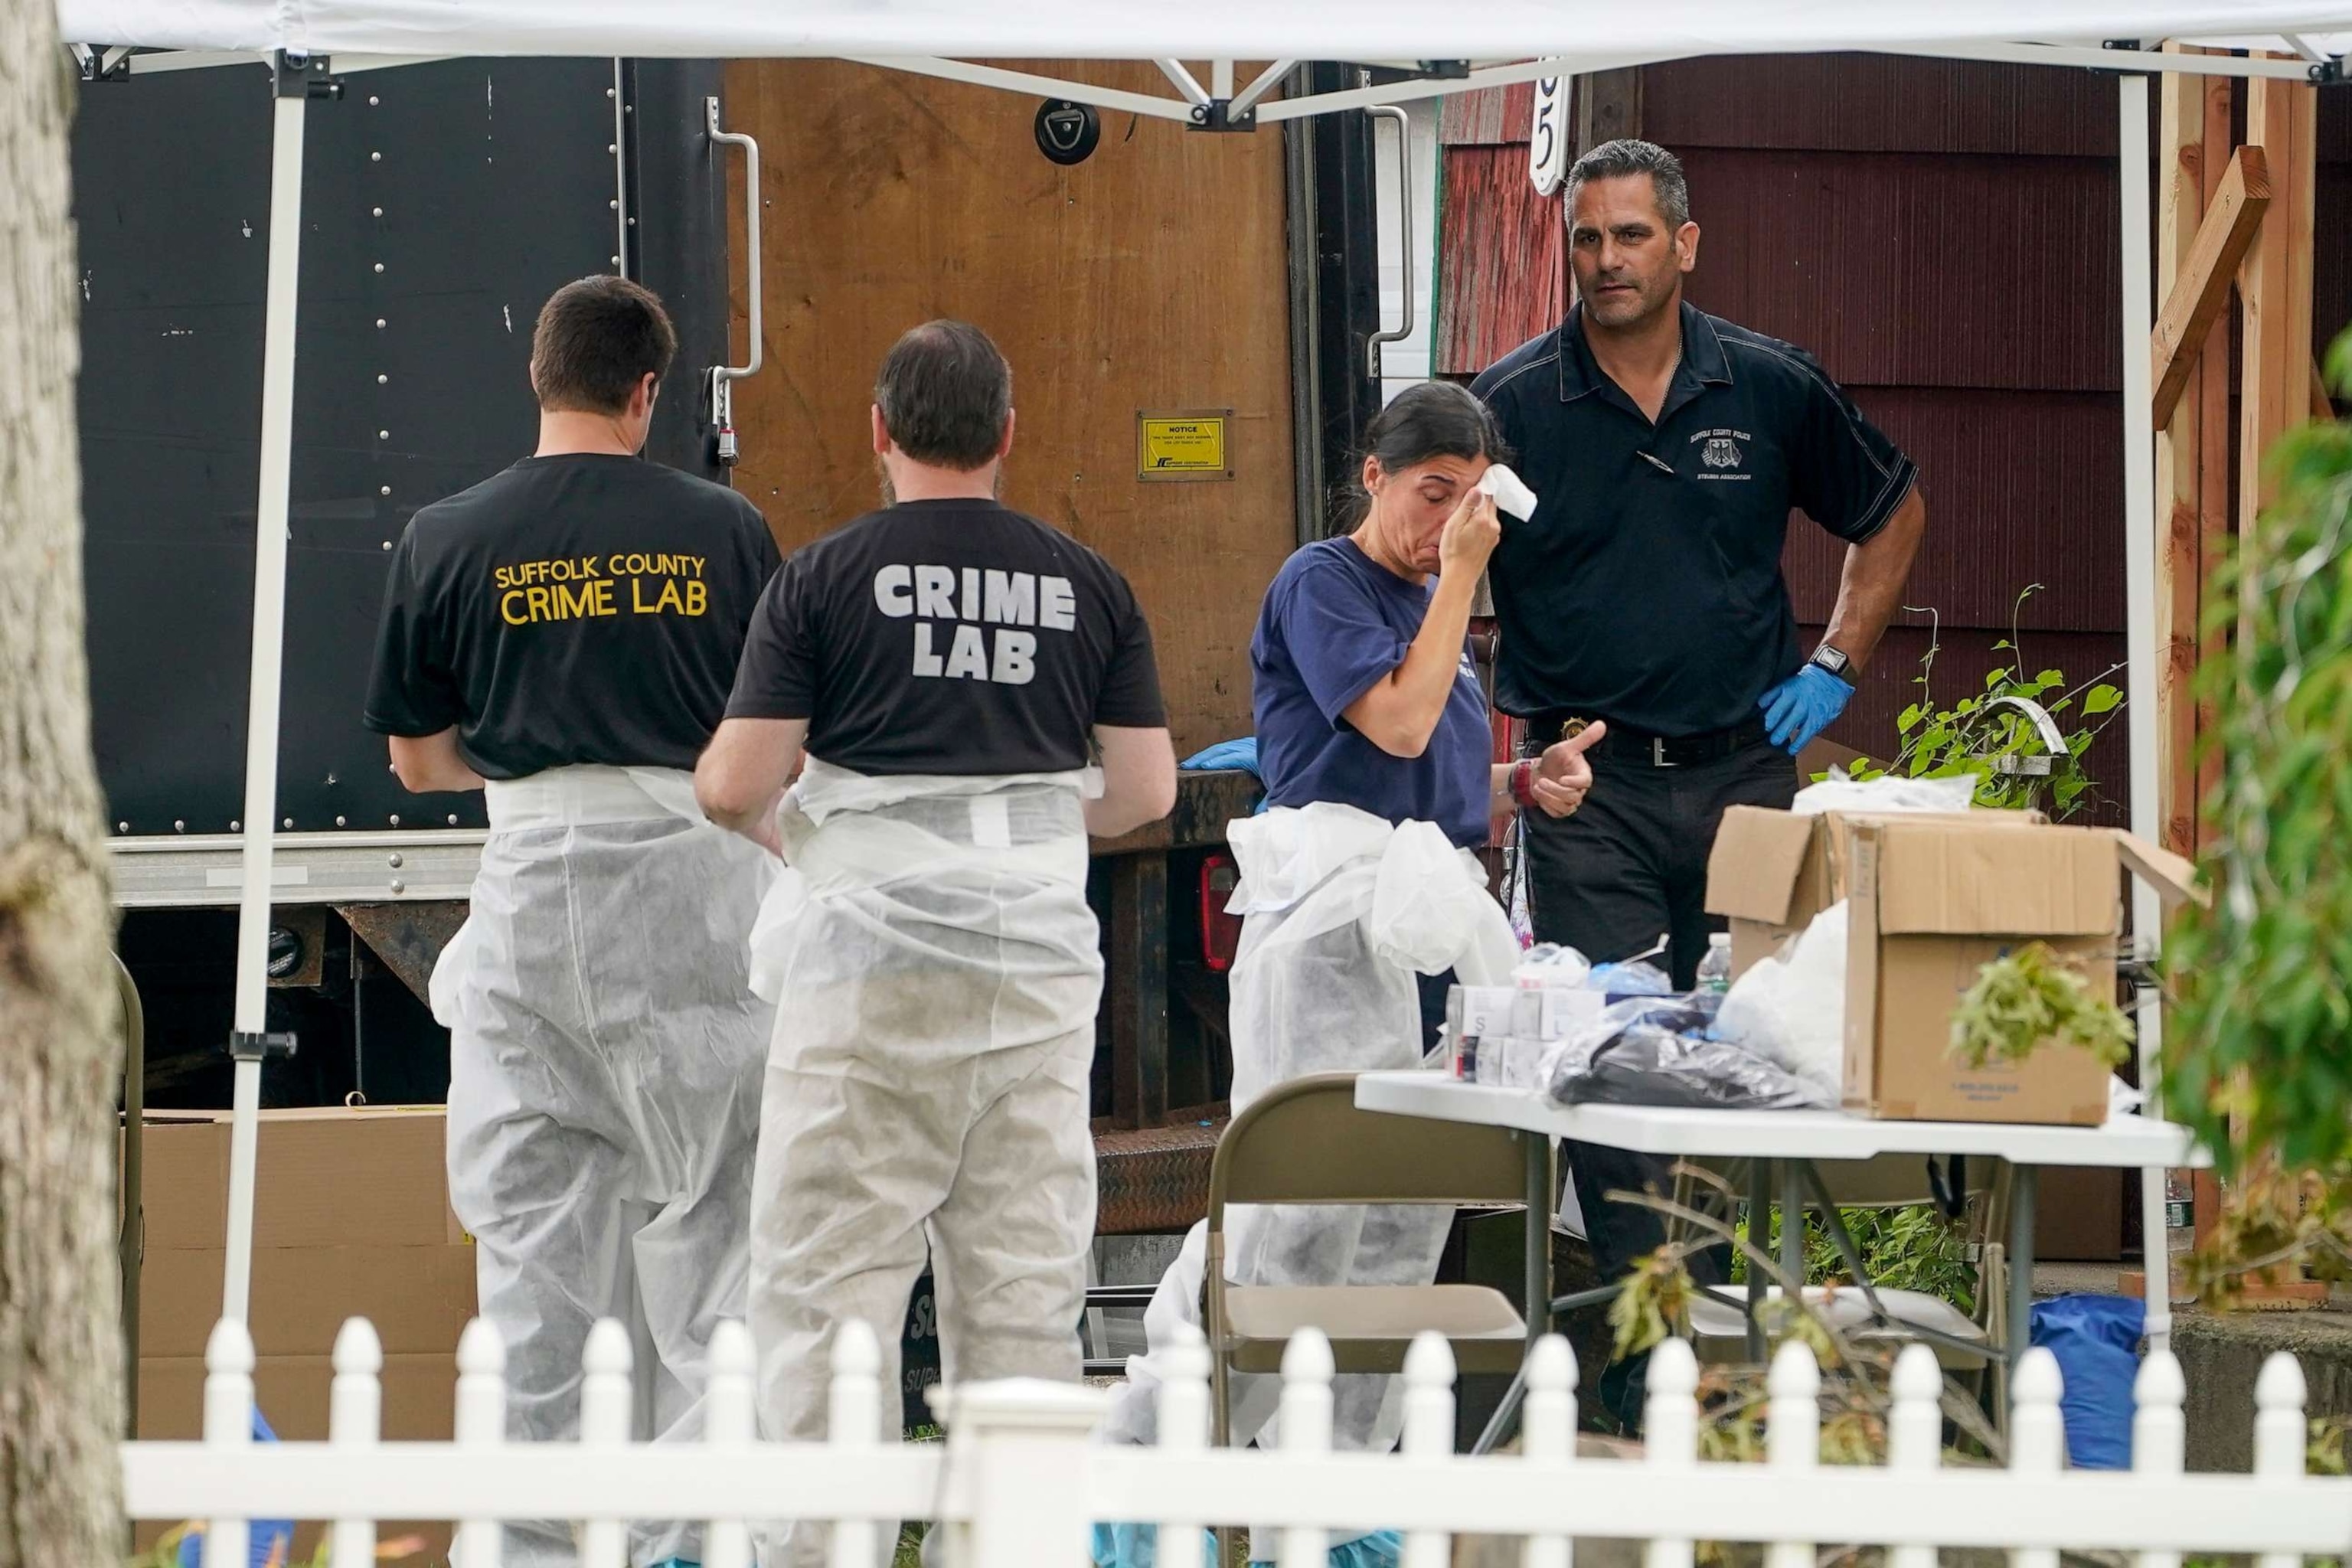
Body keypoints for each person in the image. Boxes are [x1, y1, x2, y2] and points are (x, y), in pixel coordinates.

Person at [694, 319, 1176, 1568]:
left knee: (824, 1296)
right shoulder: (1089, 583)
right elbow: (1145, 794)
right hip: (1035, 975)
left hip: (870, 973)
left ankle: (815, 1554)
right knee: (1020, 1296)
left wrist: (810, 836)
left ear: (879, 433)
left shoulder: (823, 576)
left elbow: (735, 781)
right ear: (1008, 435)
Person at [1097, 382, 1602, 1568]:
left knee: (1398, 1219)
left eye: (1471, 502)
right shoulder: (1324, 582)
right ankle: (1142, 1476)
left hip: (1424, 948)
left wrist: (1525, 784)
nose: (1447, 523)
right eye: (1433, 494)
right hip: (1327, 943)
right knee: (1290, 1215)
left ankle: (1330, 1510)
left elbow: (1432, 787)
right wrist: (1465, 580)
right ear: (1373, 477)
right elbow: (1394, 730)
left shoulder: (1436, 614)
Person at [1470, 139, 1929, 1399]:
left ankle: (1748, 1386)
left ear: (1685, 244)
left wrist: (1835, 662)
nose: (1605, 261)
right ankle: (1647, 1406)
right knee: (1617, 1103)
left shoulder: (1769, 388)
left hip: (1745, 789)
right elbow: (1430, 548)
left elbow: (1892, 511)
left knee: (1754, 1074)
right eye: (1585, 238)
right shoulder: (1510, 406)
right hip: (1589, 799)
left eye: (1629, 236)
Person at [363, 275, 781, 1568]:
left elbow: (418, 763)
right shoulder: (725, 530)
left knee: (537, 1267)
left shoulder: (446, 534)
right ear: (646, 390)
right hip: (697, 891)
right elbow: (770, 746)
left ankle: (533, 1548)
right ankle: (685, 1546)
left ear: (539, 376)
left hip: (532, 891)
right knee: (717, 1247)